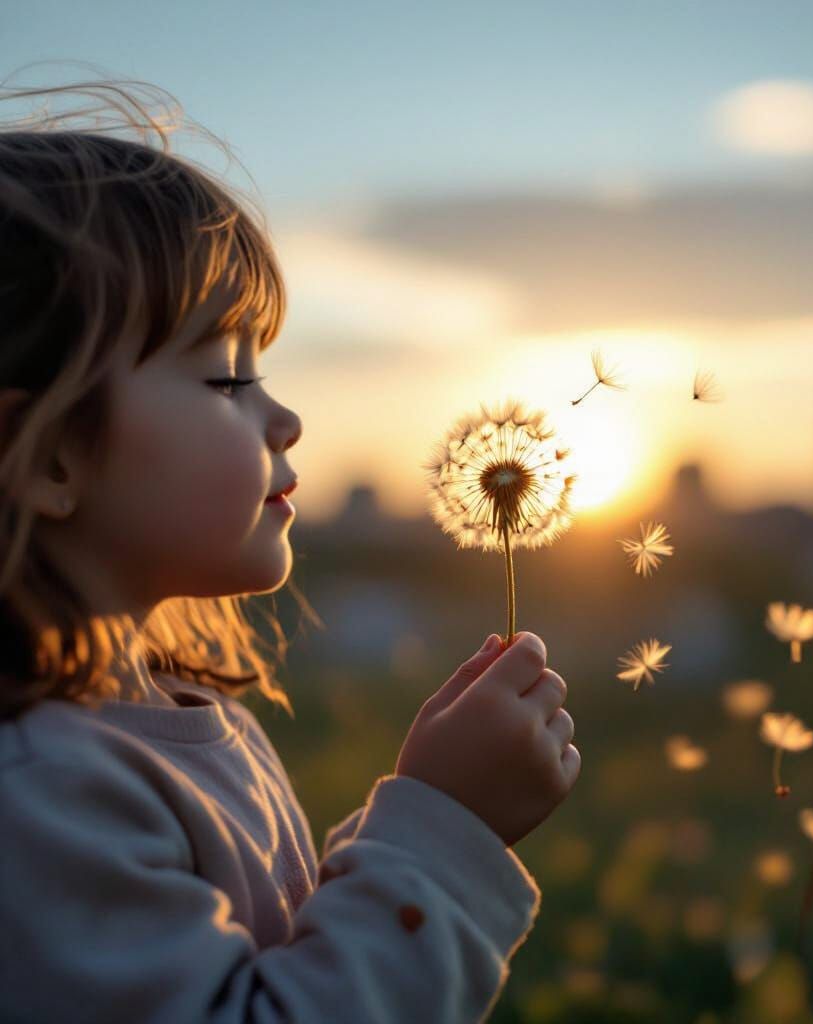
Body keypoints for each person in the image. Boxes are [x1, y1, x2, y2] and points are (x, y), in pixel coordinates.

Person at [0, 78, 581, 1023]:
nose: (287, 418)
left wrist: (424, 803)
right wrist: (446, 828)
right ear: (52, 456)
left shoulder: (175, 718)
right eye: (227, 379)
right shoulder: (39, 797)